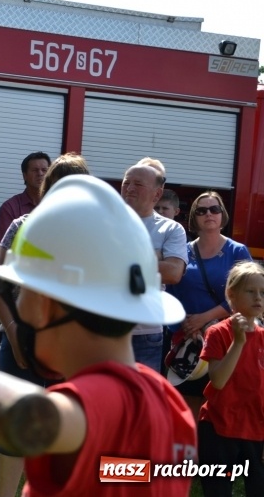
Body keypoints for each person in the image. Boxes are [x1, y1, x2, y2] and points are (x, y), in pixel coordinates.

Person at [0, 174, 195, 496]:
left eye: (24, 292)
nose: (20, 307)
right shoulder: (170, 404)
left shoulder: (78, 407)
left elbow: (28, 418)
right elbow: (124, 475)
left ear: (46, 305)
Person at [0, 152, 89, 497]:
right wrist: (16, 336)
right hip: (22, 343)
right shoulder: (22, 226)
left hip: (72, 349)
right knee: (18, 431)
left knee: (68, 433)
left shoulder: (95, 236)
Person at [166, 192, 250, 419]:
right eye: (201, 210)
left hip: (225, 341)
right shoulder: (182, 250)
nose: (209, 214)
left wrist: (204, 319)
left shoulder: (237, 251)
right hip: (187, 342)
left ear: (223, 215)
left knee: (220, 403)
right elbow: (170, 293)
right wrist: (185, 325)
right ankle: (189, 454)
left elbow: (245, 296)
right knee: (185, 406)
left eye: (214, 209)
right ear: (194, 218)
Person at [197, 261, 264, 496]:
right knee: (218, 490)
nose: (258, 298)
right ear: (232, 295)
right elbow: (218, 381)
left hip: (256, 429)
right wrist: (239, 341)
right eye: (250, 291)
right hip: (218, 427)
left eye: (262, 293)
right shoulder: (218, 332)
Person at [120, 158, 187, 371]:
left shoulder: (171, 229)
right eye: (126, 182)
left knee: (141, 402)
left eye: (138, 184)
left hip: (145, 335)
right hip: (101, 330)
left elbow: (174, 273)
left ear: (157, 194)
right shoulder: (102, 220)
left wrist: (118, 257)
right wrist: (154, 258)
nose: (129, 188)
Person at [0, 151, 50, 243]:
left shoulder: (58, 206)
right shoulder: (10, 208)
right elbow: (5, 248)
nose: (40, 174)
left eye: (44, 170)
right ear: (24, 176)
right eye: (35, 170)